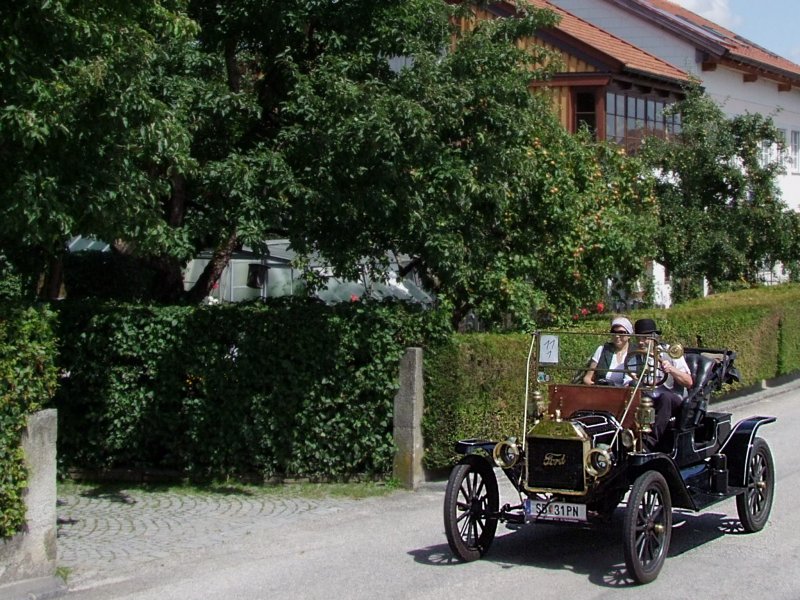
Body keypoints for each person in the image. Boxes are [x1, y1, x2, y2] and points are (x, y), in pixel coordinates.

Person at [627, 318, 693, 450]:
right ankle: (627, 436)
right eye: (638, 338)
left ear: (654, 337)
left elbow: (689, 382)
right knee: (630, 391)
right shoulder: (634, 357)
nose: (641, 342)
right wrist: (634, 379)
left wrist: (671, 369)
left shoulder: (670, 353)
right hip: (648, 397)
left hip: (672, 397)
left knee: (665, 398)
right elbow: (627, 380)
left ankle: (650, 442)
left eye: (645, 338)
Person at [582, 316, 633, 386]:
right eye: (614, 332)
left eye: (621, 332)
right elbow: (587, 378)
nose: (617, 336)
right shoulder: (602, 350)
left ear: (629, 334)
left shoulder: (635, 353)